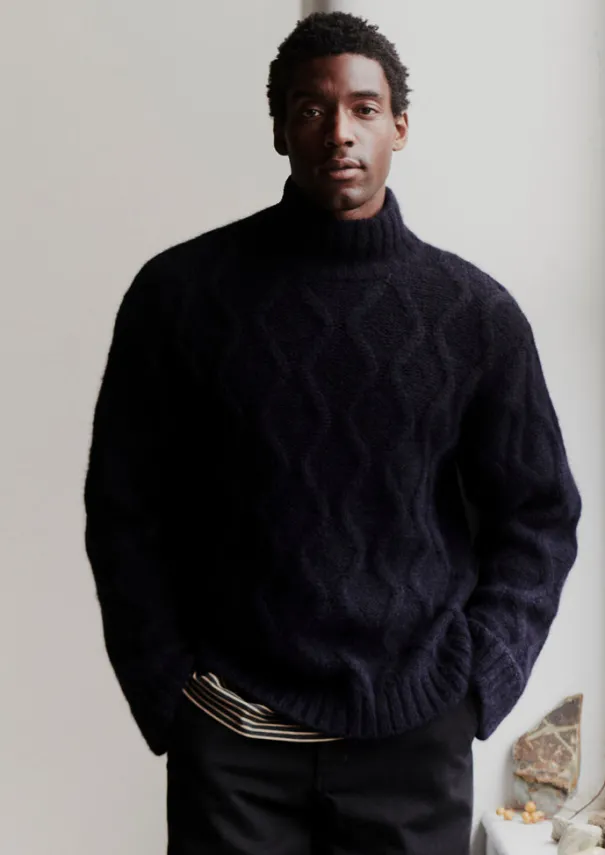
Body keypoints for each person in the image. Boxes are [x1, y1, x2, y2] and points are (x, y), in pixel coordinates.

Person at [84, 11, 581, 855]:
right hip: (232, 739)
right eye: (311, 109)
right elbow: (126, 508)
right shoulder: (179, 297)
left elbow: (537, 514)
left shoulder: (474, 314)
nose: (339, 132)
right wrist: (166, 690)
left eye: (363, 108)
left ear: (399, 126)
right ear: (280, 129)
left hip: (414, 738)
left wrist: (479, 678)